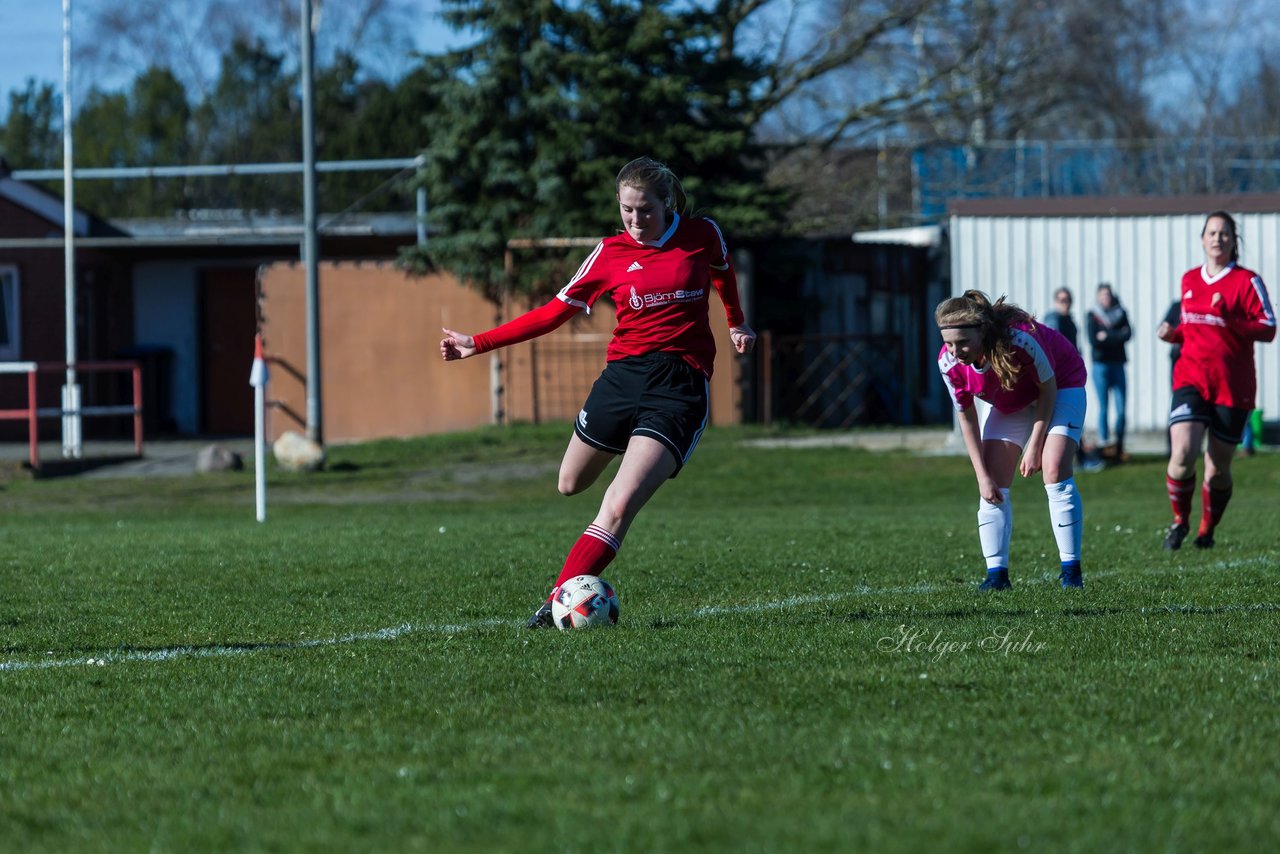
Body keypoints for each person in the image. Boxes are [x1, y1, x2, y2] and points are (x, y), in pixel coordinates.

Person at [439, 156, 756, 626]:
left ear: (666, 203)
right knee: (570, 483)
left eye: (644, 210)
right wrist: (478, 343)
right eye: (626, 210)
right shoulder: (609, 253)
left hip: (678, 386)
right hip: (622, 379)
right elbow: (552, 313)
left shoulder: (701, 234)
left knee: (618, 503)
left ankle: (555, 606)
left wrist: (736, 321)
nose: (635, 220)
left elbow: (722, 271)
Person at [936, 289, 1088, 591]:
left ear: (983, 332)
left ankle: (1071, 573)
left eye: (963, 342)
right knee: (993, 481)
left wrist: (1035, 445)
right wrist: (981, 476)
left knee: (1054, 468)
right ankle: (997, 576)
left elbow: (1048, 390)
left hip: (1060, 386)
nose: (955, 350)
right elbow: (966, 418)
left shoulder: (1020, 340)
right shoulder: (949, 364)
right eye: (949, 343)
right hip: (1011, 402)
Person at [1156, 211, 1276, 550]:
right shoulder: (1189, 280)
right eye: (1212, 232)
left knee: (1218, 468)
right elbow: (1195, 329)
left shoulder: (1247, 281)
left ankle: (1206, 529)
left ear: (1233, 240)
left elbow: (1268, 328)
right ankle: (1179, 521)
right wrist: (1174, 335)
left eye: (1224, 233)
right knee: (1181, 453)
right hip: (1191, 377)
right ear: (1202, 239)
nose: (1217, 238)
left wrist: (1232, 318)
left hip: (1232, 386)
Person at [1086, 284, 1132, 460]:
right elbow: (1094, 341)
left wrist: (1107, 336)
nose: (1106, 298)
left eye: (1108, 295)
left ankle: (1119, 445)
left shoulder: (1121, 313)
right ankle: (1104, 446)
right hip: (1101, 366)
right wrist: (1116, 335)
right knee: (1103, 407)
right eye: (1103, 295)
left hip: (1118, 364)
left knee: (1121, 408)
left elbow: (1127, 334)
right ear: (1098, 297)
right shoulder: (1093, 315)